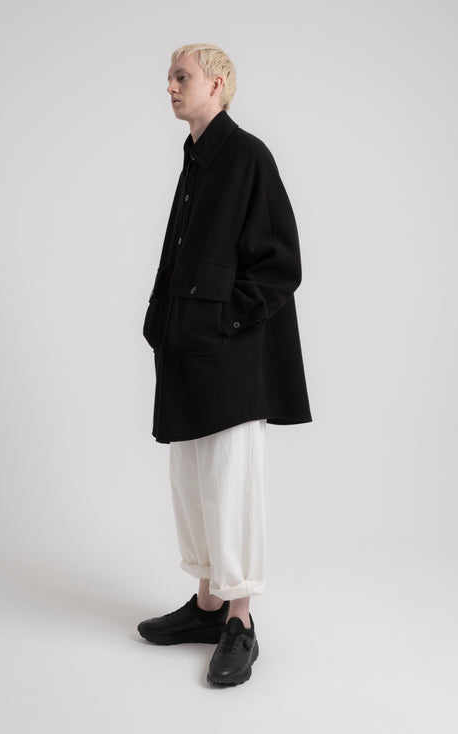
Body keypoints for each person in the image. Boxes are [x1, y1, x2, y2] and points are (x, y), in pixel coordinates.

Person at [138, 43, 312, 686]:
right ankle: (208, 606)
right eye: (168, 77)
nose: (170, 86)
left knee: (231, 485)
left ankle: (240, 621)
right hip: (187, 350)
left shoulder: (247, 157)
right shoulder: (195, 161)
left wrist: (226, 322)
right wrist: (161, 323)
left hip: (230, 358)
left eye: (180, 76)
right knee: (192, 481)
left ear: (216, 83)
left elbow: (280, 263)